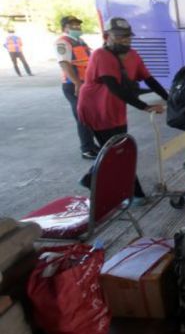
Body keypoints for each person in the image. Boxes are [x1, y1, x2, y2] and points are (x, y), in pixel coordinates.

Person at [77, 17, 168, 205]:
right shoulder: (101, 55)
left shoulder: (133, 55)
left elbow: (149, 79)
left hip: (115, 109)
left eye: (127, 36)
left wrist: (170, 99)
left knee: (114, 150)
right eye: (119, 36)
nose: (125, 40)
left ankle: (91, 178)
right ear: (106, 36)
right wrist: (145, 106)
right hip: (97, 109)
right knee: (119, 150)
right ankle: (135, 194)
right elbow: (114, 88)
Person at [55, 16, 99, 160]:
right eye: (73, 25)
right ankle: (87, 149)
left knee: (90, 116)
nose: (77, 28)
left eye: (78, 25)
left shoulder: (79, 41)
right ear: (65, 28)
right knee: (82, 117)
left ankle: (92, 146)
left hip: (86, 84)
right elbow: (64, 63)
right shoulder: (63, 42)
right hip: (74, 85)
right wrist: (77, 83)